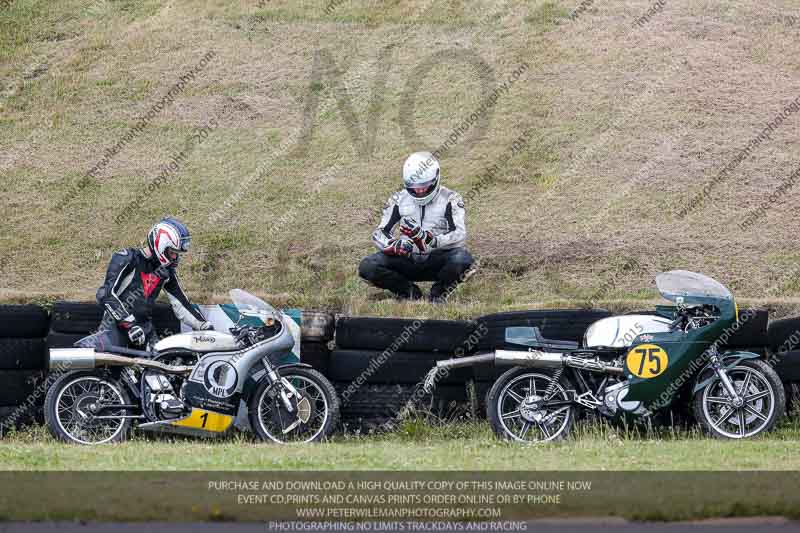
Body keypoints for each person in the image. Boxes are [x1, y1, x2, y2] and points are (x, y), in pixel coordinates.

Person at [359, 152, 475, 302]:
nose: (419, 191)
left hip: (437, 259)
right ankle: (409, 293)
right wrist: (393, 245)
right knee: (368, 266)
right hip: (407, 259)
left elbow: (459, 235)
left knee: (463, 259)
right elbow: (380, 232)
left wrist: (431, 239)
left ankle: (438, 294)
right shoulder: (398, 199)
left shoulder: (451, 199)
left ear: (436, 178)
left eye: (424, 186)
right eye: (413, 187)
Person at [81, 217, 212, 350]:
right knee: (115, 367)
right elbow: (105, 295)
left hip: (144, 329)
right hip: (115, 326)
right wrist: (129, 324)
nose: (175, 258)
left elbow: (182, 304)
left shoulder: (166, 270)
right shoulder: (128, 258)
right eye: (172, 252)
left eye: (177, 254)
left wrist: (205, 326)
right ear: (160, 245)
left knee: (161, 364)